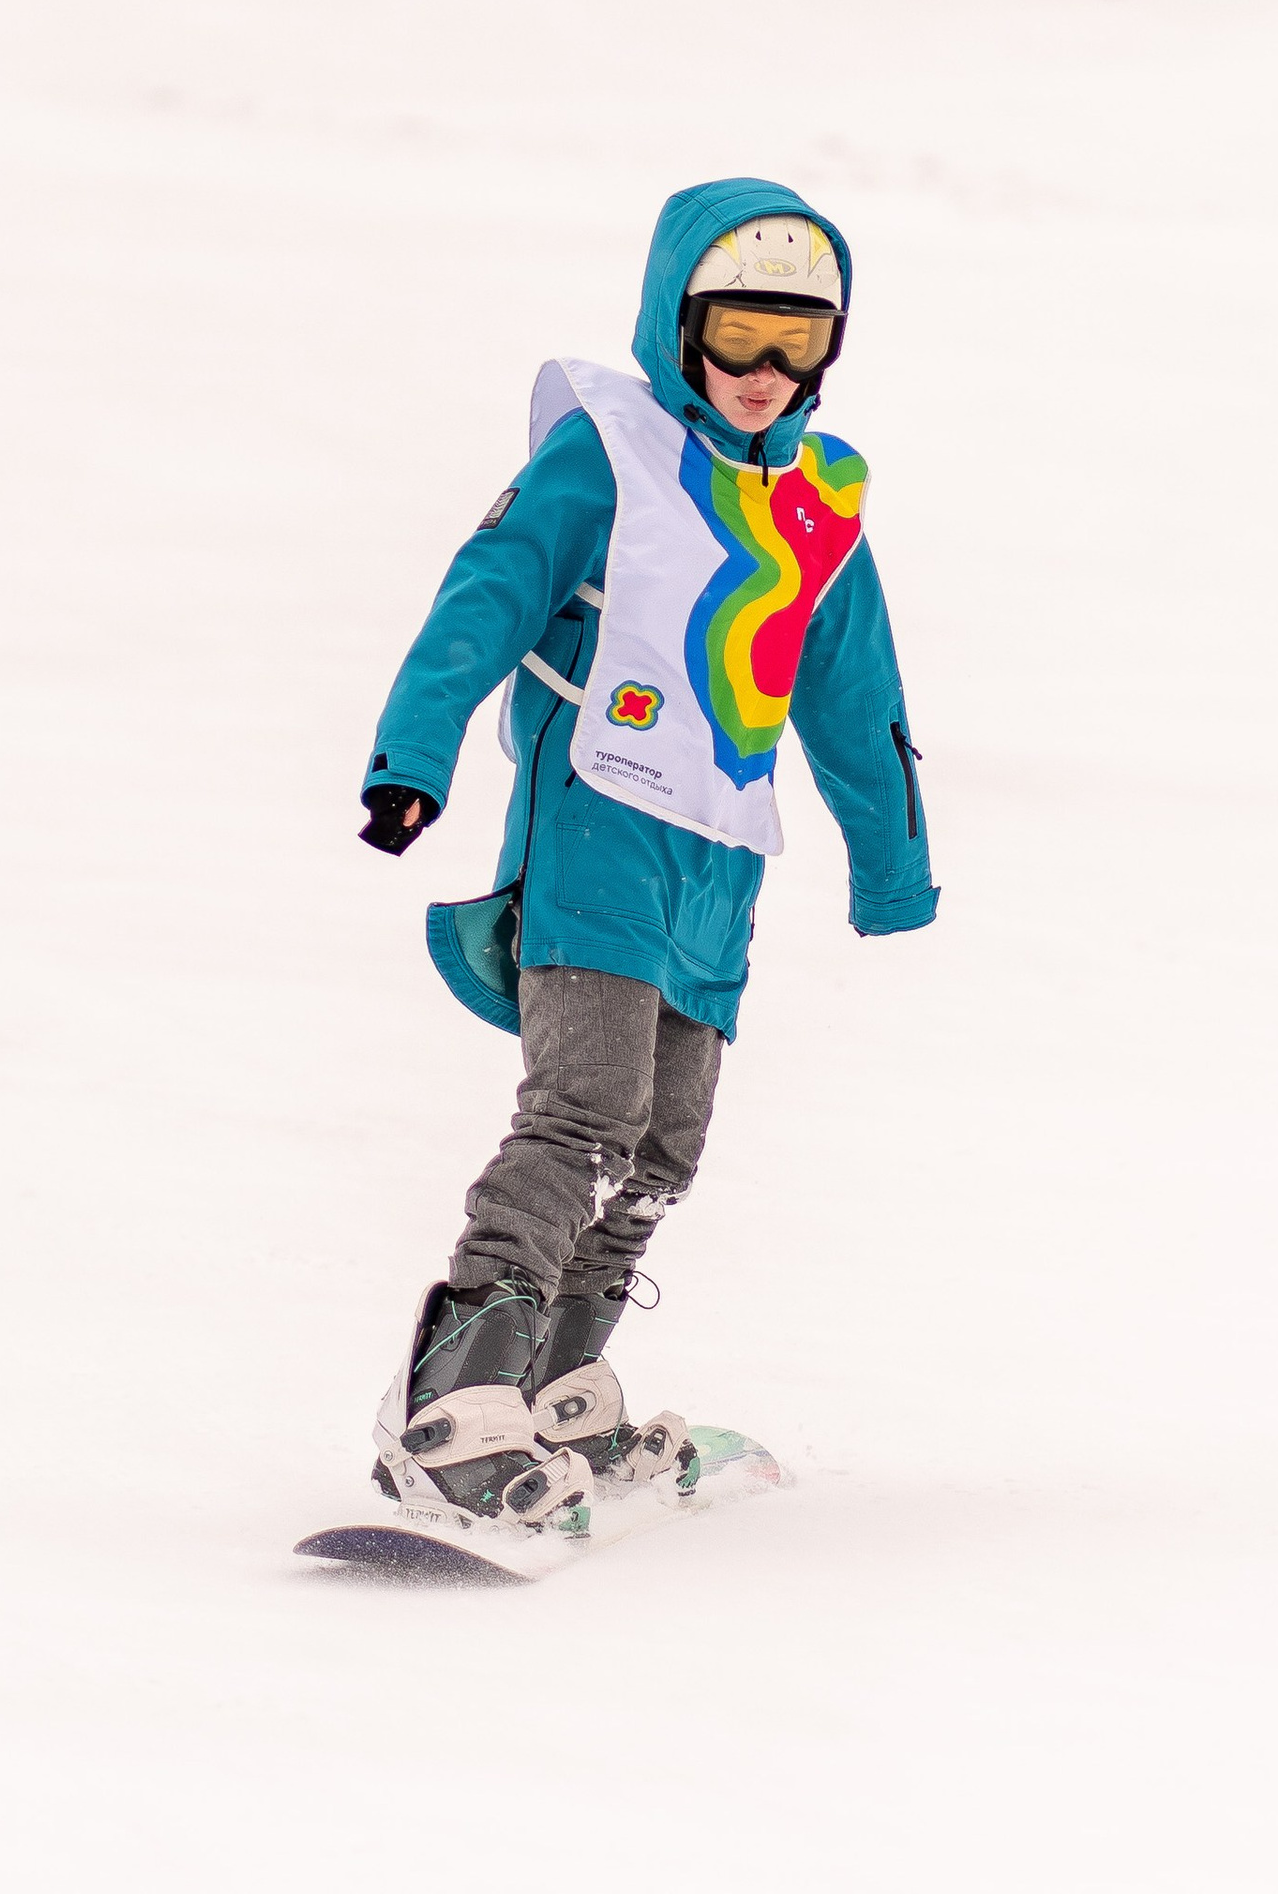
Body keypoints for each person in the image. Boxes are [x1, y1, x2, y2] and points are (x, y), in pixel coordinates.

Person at [359, 176, 937, 1537]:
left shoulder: (817, 500)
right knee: (584, 1112)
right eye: (736, 332)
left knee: (665, 1144)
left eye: (797, 339)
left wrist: (892, 863)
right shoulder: (607, 454)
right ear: (677, 326)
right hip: (601, 827)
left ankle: (556, 1393)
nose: (762, 370)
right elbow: (488, 588)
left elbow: (857, 692)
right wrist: (414, 755)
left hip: (720, 861)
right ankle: (452, 1399)